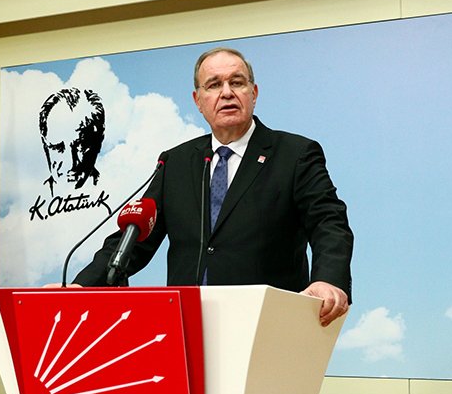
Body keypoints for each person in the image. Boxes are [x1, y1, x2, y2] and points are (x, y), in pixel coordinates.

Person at [71, 46, 354, 326]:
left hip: (267, 323)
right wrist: (79, 288)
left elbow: (328, 222)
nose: (227, 92)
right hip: (186, 326)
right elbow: (136, 237)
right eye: (214, 85)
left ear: (254, 93)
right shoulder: (176, 162)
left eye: (237, 82)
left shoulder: (294, 154)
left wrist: (328, 280)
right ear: (198, 100)